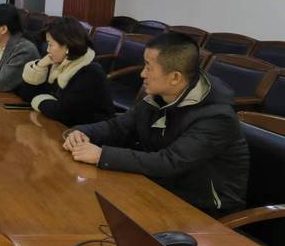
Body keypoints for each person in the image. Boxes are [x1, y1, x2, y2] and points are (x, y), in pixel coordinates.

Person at [63, 32, 248, 216]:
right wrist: (82, 132)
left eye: (149, 68)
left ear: (175, 78)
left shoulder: (217, 118)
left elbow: (170, 162)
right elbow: (118, 127)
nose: (142, 73)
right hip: (158, 187)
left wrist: (101, 155)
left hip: (202, 209)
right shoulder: (158, 97)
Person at [16, 16, 114, 126]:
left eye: (51, 44)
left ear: (67, 46)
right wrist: (39, 66)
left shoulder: (90, 72)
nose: (47, 50)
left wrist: (38, 100)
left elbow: (64, 113)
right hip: (64, 126)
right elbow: (26, 95)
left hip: (88, 132)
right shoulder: (58, 62)